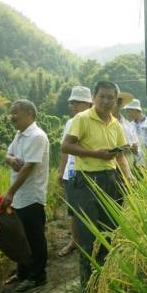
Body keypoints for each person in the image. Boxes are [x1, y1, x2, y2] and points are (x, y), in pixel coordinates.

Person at [61, 81, 135, 285]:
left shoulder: (115, 124)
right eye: (102, 96)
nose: (106, 101)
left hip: (110, 180)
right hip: (87, 181)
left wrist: (129, 177)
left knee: (109, 231)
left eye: (111, 97)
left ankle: (106, 283)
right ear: (94, 98)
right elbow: (66, 146)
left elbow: (120, 156)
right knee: (88, 236)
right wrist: (96, 154)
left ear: (115, 101)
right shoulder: (82, 118)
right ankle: (88, 286)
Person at [3, 99, 50, 292]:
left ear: (29, 113)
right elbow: (7, 154)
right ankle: (22, 272)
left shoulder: (37, 136)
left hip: (31, 196)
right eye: (11, 112)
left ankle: (38, 276)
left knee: (34, 236)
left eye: (15, 112)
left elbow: (29, 167)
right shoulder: (19, 134)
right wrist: (11, 159)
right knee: (21, 237)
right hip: (19, 197)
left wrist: (10, 192)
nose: (12, 116)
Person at [57, 86, 93, 257]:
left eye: (78, 102)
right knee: (73, 209)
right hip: (71, 172)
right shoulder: (70, 123)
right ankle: (75, 240)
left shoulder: (95, 121)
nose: (74, 106)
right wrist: (61, 171)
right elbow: (64, 150)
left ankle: (91, 242)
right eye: (72, 103)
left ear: (88, 103)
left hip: (89, 171)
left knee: (90, 208)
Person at [123, 99, 147, 168]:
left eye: (129, 111)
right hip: (134, 161)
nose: (128, 114)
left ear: (135, 110)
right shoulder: (130, 125)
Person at [114, 92, 139, 168]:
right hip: (113, 167)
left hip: (130, 166)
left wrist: (135, 148)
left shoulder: (127, 124)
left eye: (119, 102)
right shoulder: (104, 123)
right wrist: (122, 148)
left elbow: (135, 144)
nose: (116, 105)